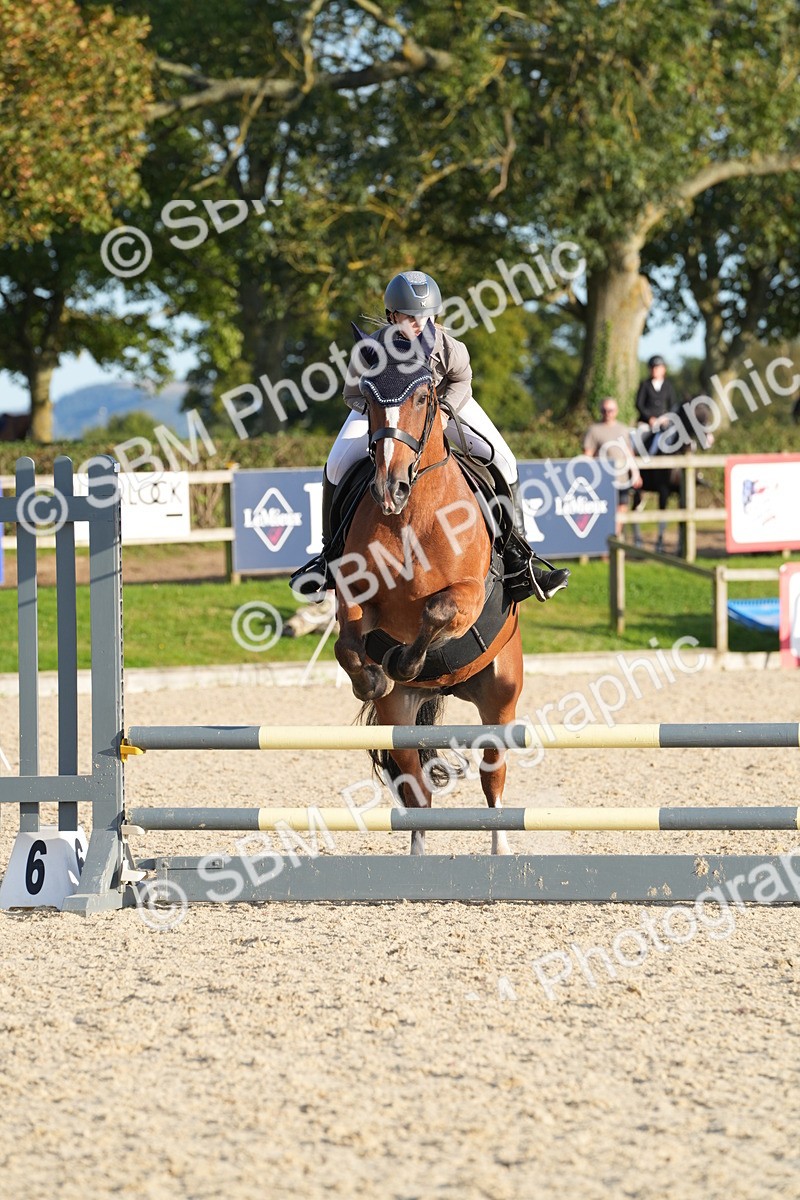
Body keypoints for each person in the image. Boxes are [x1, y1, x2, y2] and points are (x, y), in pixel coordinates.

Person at [292, 269, 570, 604]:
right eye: (410, 317)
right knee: (336, 464)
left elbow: (462, 381)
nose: (419, 323)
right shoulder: (370, 350)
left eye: (426, 316)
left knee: (504, 459)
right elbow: (352, 394)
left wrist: (441, 413)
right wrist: (384, 416)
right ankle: (329, 559)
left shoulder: (449, 347)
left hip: (444, 408)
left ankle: (519, 559)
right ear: (392, 315)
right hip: (388, 416)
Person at [582, 397, 643, 532]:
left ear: (616, 411)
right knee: (604, 512)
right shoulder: (594, 430)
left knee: (622, 507)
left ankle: (616, 537)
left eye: (610, 410)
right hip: (602, 479)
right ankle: (605, 539)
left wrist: (636, 473)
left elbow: (629, 453)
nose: (607, 413)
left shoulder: (623, 429)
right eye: (604, 410)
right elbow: (587, 455)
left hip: (621, 478)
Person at [635, 355, 679, 430]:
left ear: (663, 369)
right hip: (647, 422)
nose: (654, 370)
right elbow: (639, 404)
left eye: (657, 367)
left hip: (664, 421)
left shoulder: (668, 385)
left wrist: (666, 418)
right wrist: (649, 418)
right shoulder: (645, 384)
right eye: (652, 367)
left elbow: (673, 404)